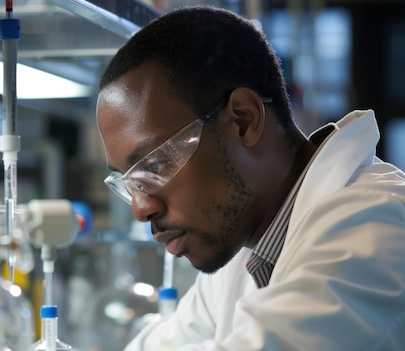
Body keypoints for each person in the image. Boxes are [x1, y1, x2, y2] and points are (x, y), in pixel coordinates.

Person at [95, 5, 405, 351]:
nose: (141, 209)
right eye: (130, 183)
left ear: (243, 119)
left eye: (155, 165)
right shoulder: (244, 254)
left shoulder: (377, 227)